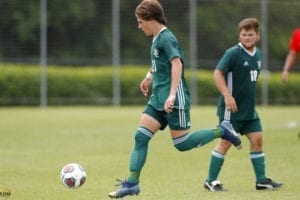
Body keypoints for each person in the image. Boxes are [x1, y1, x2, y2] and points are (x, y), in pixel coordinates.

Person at [108, 0, 242, 198]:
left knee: (182, 144)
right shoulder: (156, 38)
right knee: (140, 137)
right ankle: (132, 184)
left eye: (140, 21)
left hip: (174, 98)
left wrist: (171, 95)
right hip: (158, 98)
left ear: (150, 19)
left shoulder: (167, 38)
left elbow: (176, 64)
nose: (138, 26)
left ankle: (223, 130)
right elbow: (159, 63)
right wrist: (148, 77)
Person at [204, 18, 283, 192]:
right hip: (230, 111)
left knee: (257, 140)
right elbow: (217, 73)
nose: (247, 38)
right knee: (225, 143)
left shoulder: (259, 54)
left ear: (258, 36)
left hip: (249, 110)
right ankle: (211, 180)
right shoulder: (232, 53)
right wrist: (227, 95)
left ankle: (261, 180)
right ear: (239, 35)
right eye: (244, 35)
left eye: (250, 34)